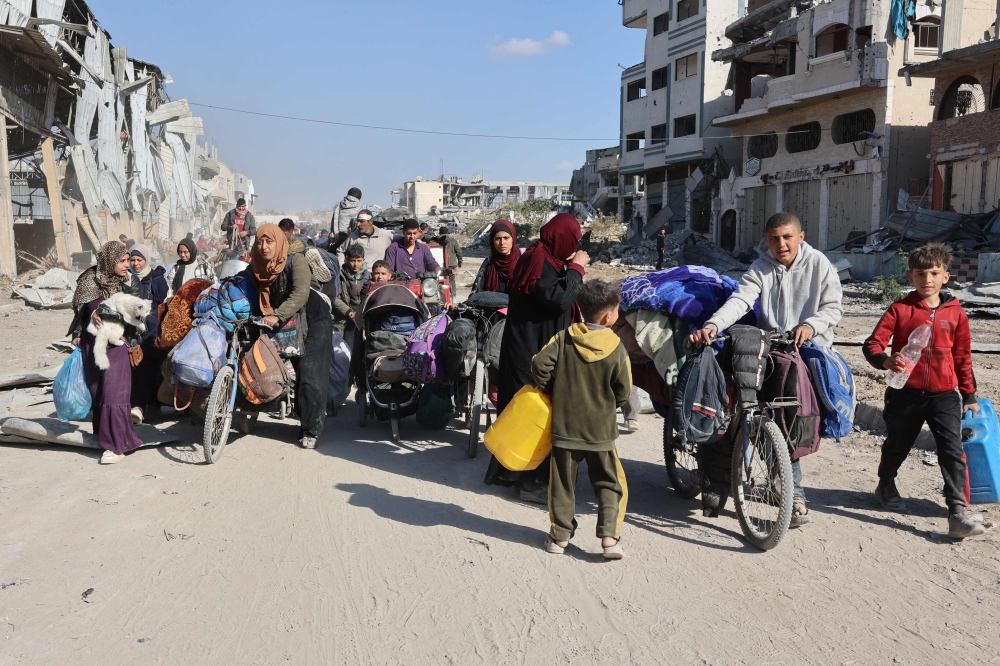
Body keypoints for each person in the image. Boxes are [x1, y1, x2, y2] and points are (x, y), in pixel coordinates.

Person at [690, 212, 843, 526]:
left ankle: (793, 492)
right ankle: (783, 488)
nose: (781, 244)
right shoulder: (760, 267)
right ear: (766, 239)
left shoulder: (819, 264)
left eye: (787, 237)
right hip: (770, 349)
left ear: (801, 236)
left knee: (795, 421)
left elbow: (833, 306)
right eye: (774, 238)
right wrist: (713, 324)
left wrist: (810, 326)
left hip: (807, 351)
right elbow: (742, 299)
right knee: (748, 413)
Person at [863, 243, 984, 539]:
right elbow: (872, 344)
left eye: (933, 272)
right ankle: (886, 485)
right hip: (905, 394)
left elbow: (963, 358)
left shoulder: (956, 314)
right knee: (897, 446)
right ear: (911, 277)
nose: (927, 279)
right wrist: (885, 360)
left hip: (944, 396)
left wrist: (969, 395)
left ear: (946, 276)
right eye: (920, 273)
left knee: (952, 451)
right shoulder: (900, 309)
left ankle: (956, 513)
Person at [485, 213, 589, 501]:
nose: (575, 244)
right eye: (573, 239)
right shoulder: (538, 260)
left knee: (528, 412)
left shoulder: (545, 257)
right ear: (560, 237)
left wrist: (570, 269)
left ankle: (514, 473)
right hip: (528, 352)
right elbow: (558, 299)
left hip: (532, 346)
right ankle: (528, 483)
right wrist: (577, 269)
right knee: (532, 413)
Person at [531, 279, 631, 560]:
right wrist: (609, 404)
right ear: (610, 315)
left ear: (578, 307)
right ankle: (609, 539)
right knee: (609, 483)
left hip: (565, 428)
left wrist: (551, 391)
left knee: (562, 484)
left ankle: (559, 538)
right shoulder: (617, 347)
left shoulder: (564, 338)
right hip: (601, 431)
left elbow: (539, 364)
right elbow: (624, 390)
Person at [242, 224, 331, 449]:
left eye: (269, 242)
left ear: (280, 242)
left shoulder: (295, 261)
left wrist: (277, 315)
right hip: (284, 321)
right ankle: (302, 414)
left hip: (313, 318)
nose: (263, 247)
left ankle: (312, 428)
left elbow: (300, 292)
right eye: (260, 242)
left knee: (310, 373)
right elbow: (240, 283)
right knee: (287, 371)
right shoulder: (256, 266)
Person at [69, 241, 144, 464]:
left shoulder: (129, 282)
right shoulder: (88, 280)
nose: (127, 265)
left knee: (114, 394)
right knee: (98, 393)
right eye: (121, 261)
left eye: (128, 260)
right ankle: (107, 438)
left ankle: (116, 446)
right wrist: (82, 328)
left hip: (117, 346)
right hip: (92, 346)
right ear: (109, 261)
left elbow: (139, 314)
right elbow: (81, 310)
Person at [127, 244, 168, 424]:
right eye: (132, 260)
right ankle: (140, 405)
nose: (135, 264)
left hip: (151, 333)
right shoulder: (126, 278)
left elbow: (163, 306)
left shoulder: (157, 279)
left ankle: (141, 406)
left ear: (146, 260)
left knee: (147, 368)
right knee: (133, 368)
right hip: (131, 331)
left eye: (139, 260)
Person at [470, 220, 521, 295]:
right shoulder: (488, 264)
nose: (502, 242)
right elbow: (477, 293)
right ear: (492, 241)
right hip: (493, 306)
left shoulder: (523, 262)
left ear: (513, 239)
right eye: (497, 238)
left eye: (506, 238)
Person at [337, 244, 370, 344]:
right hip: (346, 318)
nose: (356, 264)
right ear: (346, 260)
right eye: (352, 260)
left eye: (359, 261)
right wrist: (349, 312)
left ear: (363, 260)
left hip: (364, 317)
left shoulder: (369, 276)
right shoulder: (340, 276)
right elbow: (334, 297)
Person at [437, 225, 463, 298]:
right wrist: (460, 261)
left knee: (440, 280)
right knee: (451, 281)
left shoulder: (436, 240)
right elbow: (459, 252)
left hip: (440, 264)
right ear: (447, 232)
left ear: (439, 232)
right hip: (451, 264)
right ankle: (453, 296)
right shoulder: (453, 240)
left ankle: (441, 295)